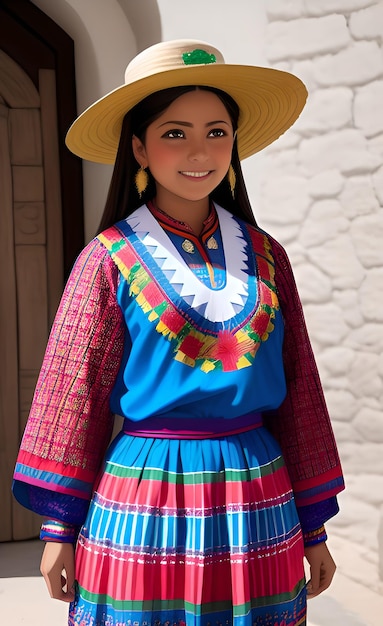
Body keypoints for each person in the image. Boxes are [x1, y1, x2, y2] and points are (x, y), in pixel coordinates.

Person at [12, 39, 345, 626]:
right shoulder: (109, 259)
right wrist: (59, 526)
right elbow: (74, 393)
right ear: (138, 146)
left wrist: (313, 527)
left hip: (258, 497)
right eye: (174, 133)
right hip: (145, 497)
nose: (200, 151)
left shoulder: (268, 257)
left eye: (217, 132)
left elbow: (301, 393)